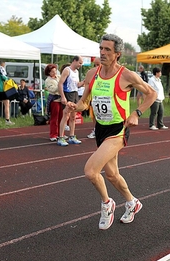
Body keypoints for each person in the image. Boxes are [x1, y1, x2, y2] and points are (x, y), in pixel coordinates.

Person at [67, 33, 157, 230]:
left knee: (91, 171)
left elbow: (152, 93)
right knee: (112, 175)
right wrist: (76, 106)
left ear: (117, 53)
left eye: (107, 49)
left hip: (119, 130)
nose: (103, 52)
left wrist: (136, 113)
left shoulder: (127, 75)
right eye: (101, 48)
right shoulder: (92, 74)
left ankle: (107, 204)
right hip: (101, 129)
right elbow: (85, 102)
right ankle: (133, 202)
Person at [57, 56, 84, 147]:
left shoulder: (76, 72)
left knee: (73, 117)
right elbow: (60, 83)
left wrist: (85, 81)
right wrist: (63, 97)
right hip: (68, 93)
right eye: (80, 63)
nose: (80, 65)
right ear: (75, 61)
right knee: (66, 115)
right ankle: (61, 137)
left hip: (75, 94)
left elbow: (78, 85)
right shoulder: (67, 70)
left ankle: (72, 136)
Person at [0, 60, 15, 125]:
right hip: (2, 89)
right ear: (2, 64)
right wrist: (9, 79)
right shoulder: (1, 68)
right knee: (7, 104)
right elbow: (4, 77)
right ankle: (7, 120)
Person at [44, 64, 62, 142]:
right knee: (54, 118)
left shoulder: (59, 77)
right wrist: (60, 85)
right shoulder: (48, 80)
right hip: (54, 100)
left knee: (61, 117)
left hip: (61, 99)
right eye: (52, 71)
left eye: (55, 71)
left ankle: (60, 134)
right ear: (49, 72)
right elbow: (53, 90)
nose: (54, 73)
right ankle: (53, 134)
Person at [87, 57, 101, 139]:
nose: (96, 66)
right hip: (94, 98)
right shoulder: (92, 73)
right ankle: (96, 130)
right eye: (94, 65)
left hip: (105, 99)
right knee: (94, 115)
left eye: (98, 64)